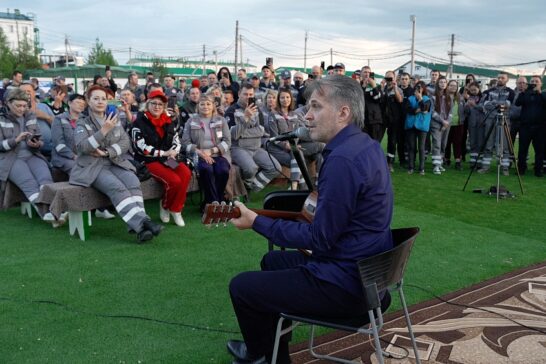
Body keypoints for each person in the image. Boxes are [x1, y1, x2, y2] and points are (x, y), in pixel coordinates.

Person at [227, 75, 393, 364]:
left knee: (241, 287)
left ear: (343, 113)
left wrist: (256, 222)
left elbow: (320, 239)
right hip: (367, 272)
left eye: (316, 107)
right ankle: (273, 352)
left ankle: (260, 357)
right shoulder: (364, 145)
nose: (307, 115)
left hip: (347, 285)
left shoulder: (343, 160)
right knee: (271, 263)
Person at [70, 85, 163, 243]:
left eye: (103, 99)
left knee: (133, 180)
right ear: (88, 101)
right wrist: (103, 131)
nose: (100, 102)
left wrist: (107, 152)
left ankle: (140, 228)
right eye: (96, 98)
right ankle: (144, 222)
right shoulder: (82, 123)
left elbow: (125, 142)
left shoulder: (114, 118)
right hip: (93, 166)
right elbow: (82, 147)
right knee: (116, 186)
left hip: (113, 161)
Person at [0, 88, 63, 225]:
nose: (22, 109)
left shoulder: (30, 116)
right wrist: (15, 140)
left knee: (46, 180)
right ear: (8, 103)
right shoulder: (1, 119)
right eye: (18, 106)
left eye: (24, 106)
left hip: (32, 155)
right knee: (29, 184)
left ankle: (55, 212)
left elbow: (39, 139)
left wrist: (36, 143)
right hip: (11, 159)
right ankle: (46, 214)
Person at [131, 89, 192, 226]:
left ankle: (176, 209)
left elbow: (176, 139)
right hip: (148, 160)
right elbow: (141, 147)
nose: (157, 106)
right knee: (174, 181)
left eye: (160, 104)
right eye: (154, 103)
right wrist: (163, 153)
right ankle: (165, 206)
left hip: (167, 158)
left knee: (186, 173)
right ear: (148, 104)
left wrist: (174, 151)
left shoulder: (168, 121)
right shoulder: (138, 122)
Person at [227, 83, 280, 192]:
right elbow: (233, 135)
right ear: (239, 94)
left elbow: (261, 131)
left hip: (256, 148)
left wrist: (243, 133)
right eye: (245, 94)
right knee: (251, 169)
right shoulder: (231, 111)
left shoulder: (257, 110)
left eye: (251, 94)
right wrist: (245, 118)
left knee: (275, 168)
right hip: (238, 148)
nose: (248, 97)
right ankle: (247, 187)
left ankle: (251, 187)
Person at [181, 94, 231, 206]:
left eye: (208, 104)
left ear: (213, 106)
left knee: (222, 170)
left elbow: (227, 141)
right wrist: (200, 153)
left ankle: (217, 199)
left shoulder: (221, 120)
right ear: (198, 106)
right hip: (198, 155)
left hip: (218, 154)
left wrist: (212, 151)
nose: (205, 106)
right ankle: (213, 201)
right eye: (202, 104)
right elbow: (185, 143)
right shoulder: (191, 121)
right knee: (206, 170)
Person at [478, 72, 515, 175]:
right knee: (488, 144)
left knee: (504, 145)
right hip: (490, 119)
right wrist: (499, 104)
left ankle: (505, 168)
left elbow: (508, 105)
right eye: (498, 78)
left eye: (502, 78)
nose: (500, 79)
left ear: (507, 80)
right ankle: (485, 167)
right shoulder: (489, 91)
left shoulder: (511, 92)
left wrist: (493, 103)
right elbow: (484, 105)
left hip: (504, 120)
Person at [514, 75, 546, 177]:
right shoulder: (525, 93)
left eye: (536, 81)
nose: (534, 82)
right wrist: (525, 91)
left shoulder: (543, 94)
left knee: (539, 150)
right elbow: (518, 103)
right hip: (525, 126)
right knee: (522, 149)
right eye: (532, 81)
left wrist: (539, 92)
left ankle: (538, 170)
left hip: (540, 127)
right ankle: (521, 169)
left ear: (541, 83)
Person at [405, 81, 432, 175]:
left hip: (422, 125)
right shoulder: (410, 98)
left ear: (424, 89)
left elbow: (425, 108)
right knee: (411, 147)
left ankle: (421, 168)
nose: (418, 89)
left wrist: (420, 99)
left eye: (420, 87)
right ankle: (411, 167)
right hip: (411, 125)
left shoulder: (427, 99)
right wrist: (419, 110)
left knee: (421, 147)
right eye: (417, 87)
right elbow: (408, 109)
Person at [444, 80, 466, 170]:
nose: (453, 87)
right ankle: (446, 159)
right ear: (447, 86)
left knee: (458, 143)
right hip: (447, 124)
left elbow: (464, 109)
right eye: (451, 85)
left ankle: (457, 161)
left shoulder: (460, 97)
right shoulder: (444, 97)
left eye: (455, 86)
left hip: (458, 123)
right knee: (447, 143)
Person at [430, 76, 450, 174]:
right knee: (436, 144)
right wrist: (442, 121)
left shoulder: (449, 97)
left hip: (446, 124)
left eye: (444, 82)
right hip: (436, 123)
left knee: (443, 144)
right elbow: (432, 112)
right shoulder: (433, 96)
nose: (443, 84)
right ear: (438, 83)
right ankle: (436, 166)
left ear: (447, 84)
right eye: (441, 82)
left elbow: (450, 112)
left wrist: (446, 123)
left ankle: (440, 163)